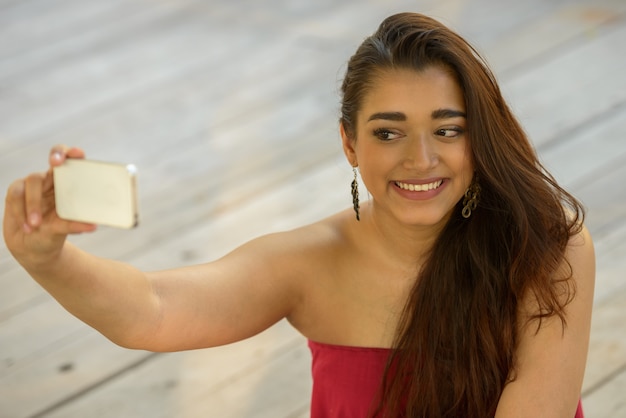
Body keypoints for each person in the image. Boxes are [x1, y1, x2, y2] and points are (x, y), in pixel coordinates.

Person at [3, 12, 594, 418]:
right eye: (389, 132)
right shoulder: (308, 262)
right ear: (349, 144)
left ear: (478, 137)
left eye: (447, 129)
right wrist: (47, 257)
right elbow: (152, 312)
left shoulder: (546, 246)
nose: (421, 158)